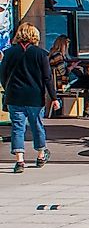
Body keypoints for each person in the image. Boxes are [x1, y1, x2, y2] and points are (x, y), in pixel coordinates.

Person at [0, 22, 58, 173]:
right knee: (37, 125)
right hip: (34, 96)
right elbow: (47, 78)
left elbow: (3, 75)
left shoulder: (9, 53)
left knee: (17, 128)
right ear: (35, 35)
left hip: (14, 96)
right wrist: (54, 97)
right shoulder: (41, 54)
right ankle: (40, 155)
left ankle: (19, 160)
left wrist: (8, 88)